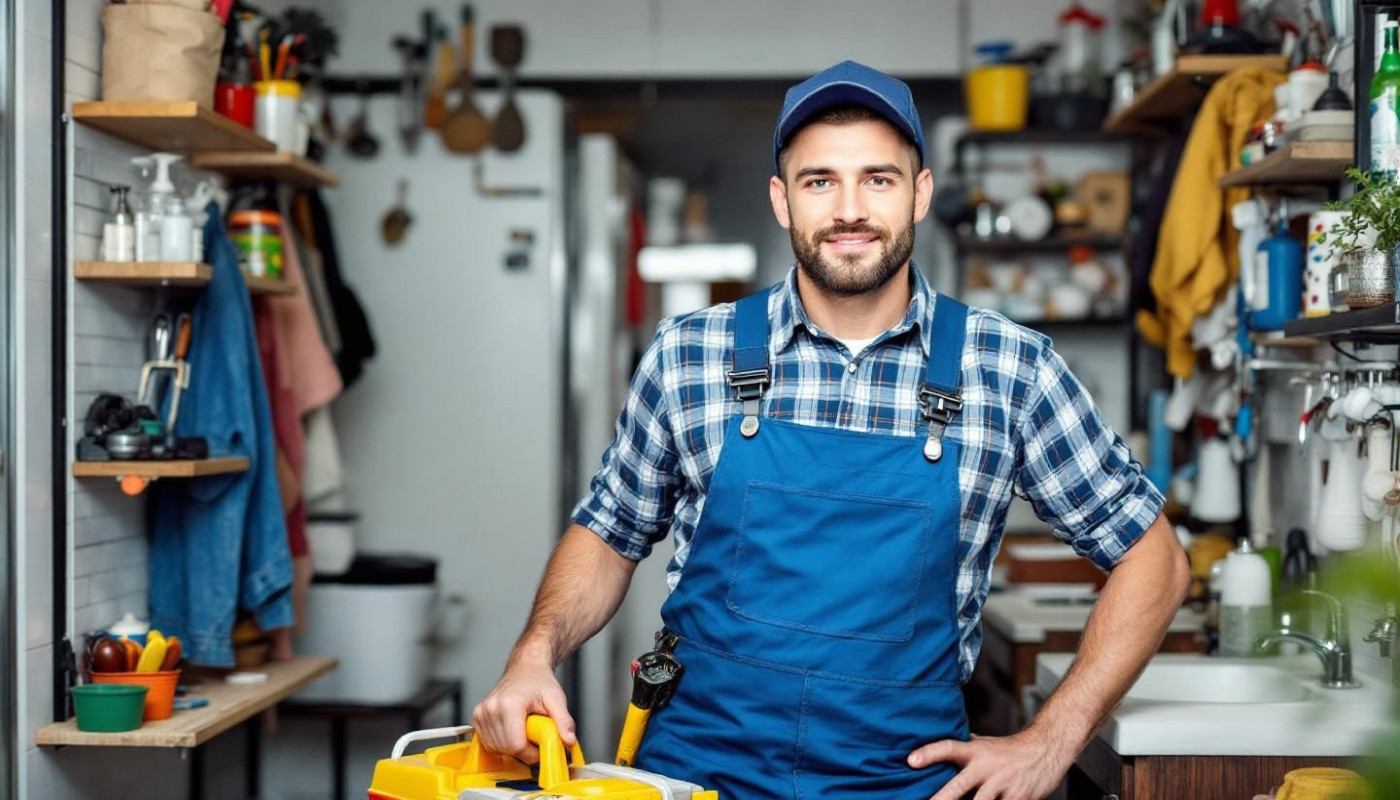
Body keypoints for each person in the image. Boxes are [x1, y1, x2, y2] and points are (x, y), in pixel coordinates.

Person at [473, 60, 1191, 800]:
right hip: (695, 775)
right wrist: (534, 653)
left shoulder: (1009, 368)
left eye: (878, 179)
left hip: (902, 785)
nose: (850, 209)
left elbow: (1156, 561)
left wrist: (1051, 740)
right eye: (820, 181)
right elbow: (609, 533)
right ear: (783, 201)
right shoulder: (691, 354)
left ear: (920, 194)